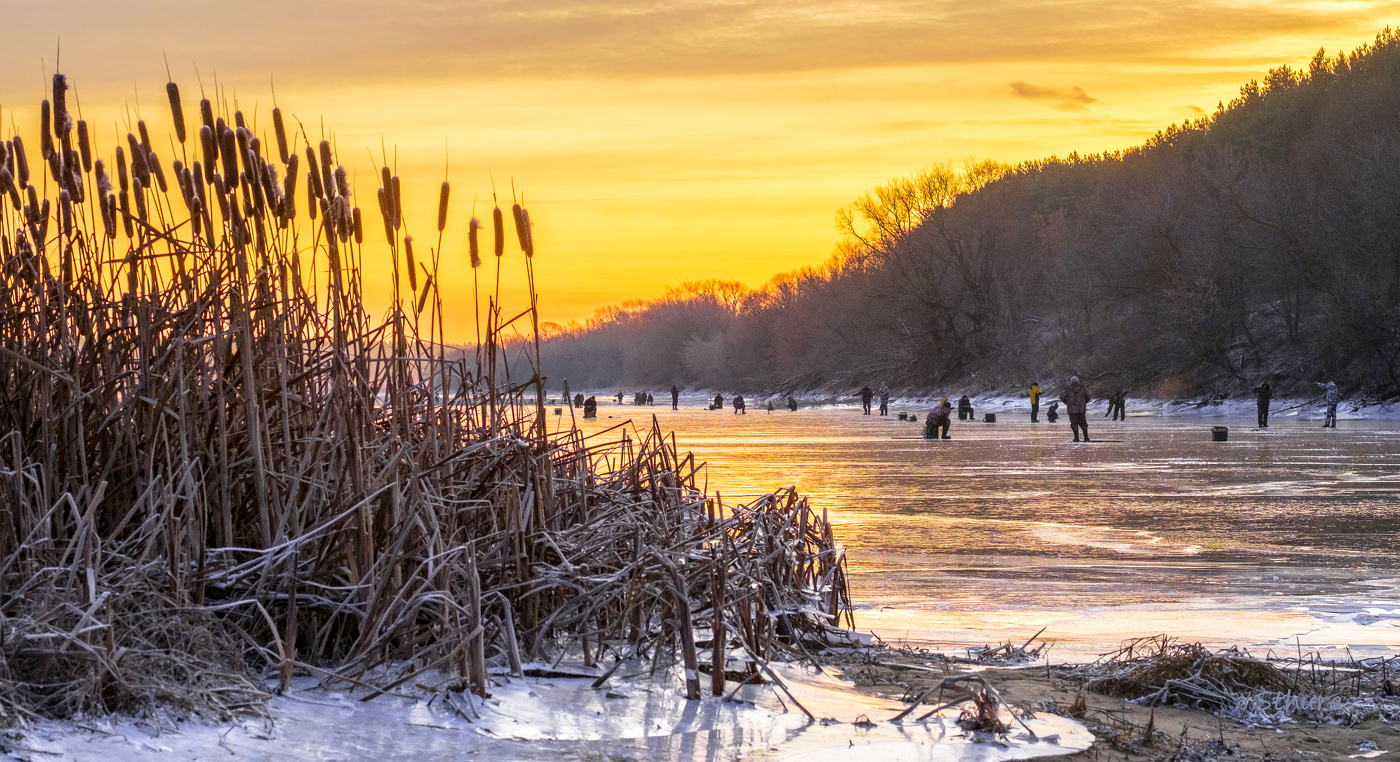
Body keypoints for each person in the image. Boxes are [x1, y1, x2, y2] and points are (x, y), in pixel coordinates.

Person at [1059, 376, 1092, 442]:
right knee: (1083, 424)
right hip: (1081, 409)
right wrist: (1084, 402)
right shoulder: (1082, 388)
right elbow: (1089, 395)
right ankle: (1086, 438)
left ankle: (1076, 438)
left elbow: (1061, 396)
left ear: (1071, 382)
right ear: (1078, 381)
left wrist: (1067, 402)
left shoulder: (1067, 389)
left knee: (1074, 424)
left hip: (1072, 410)